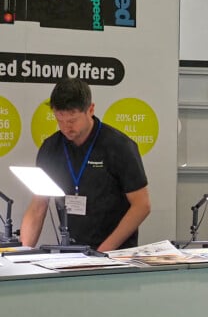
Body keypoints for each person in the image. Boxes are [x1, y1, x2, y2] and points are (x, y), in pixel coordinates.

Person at [20, 78, 151, 252]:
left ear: (90, 109)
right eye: (60, 120)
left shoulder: (119, 147)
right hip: (71, 253)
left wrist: (103, 251)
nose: (66, 128)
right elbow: (38, 206)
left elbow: (142, 205)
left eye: (72, 120)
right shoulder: (51, 148)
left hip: (115, 253)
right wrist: (21, 253)